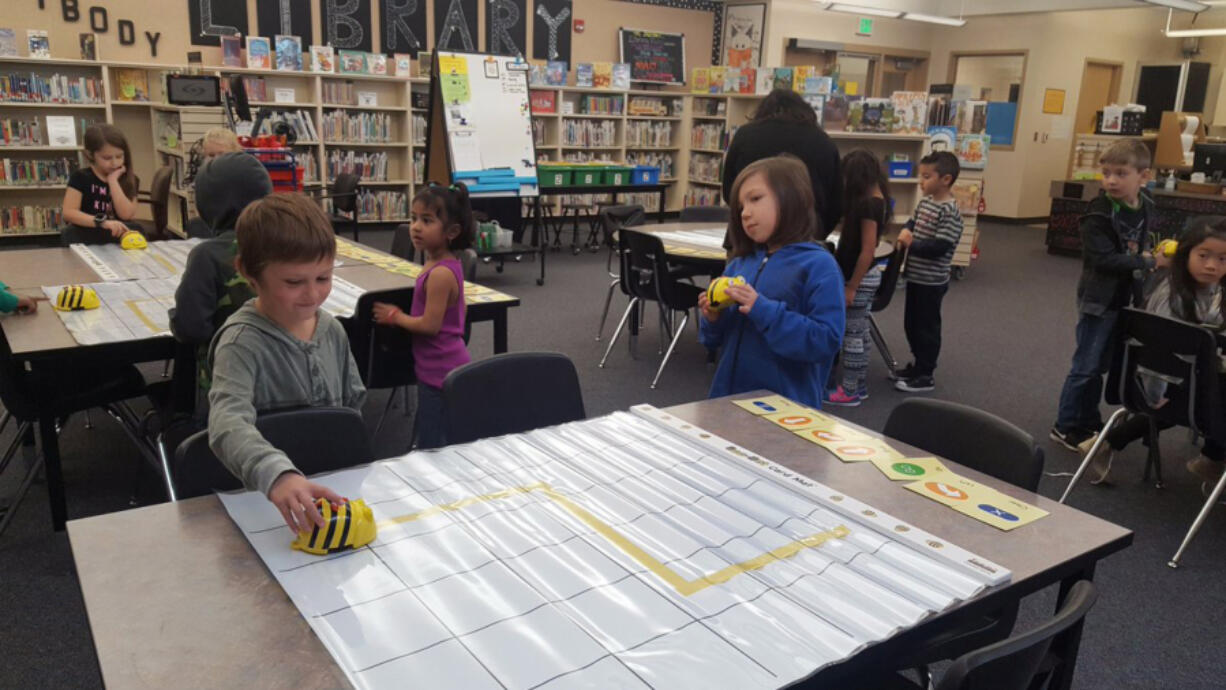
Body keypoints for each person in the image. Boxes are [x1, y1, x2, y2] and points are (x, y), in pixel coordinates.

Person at [207, 194, 366, 534]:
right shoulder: (241, 343)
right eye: (294, 282)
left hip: (331, 495)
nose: (312, 294)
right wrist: (276, 474)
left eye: (323, 278)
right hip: (265, 503)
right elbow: (226, 423)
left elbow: (352, 409)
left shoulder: (333, 330)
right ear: (248, 273)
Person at [1080, 220, 1226, 486]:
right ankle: (1212, 458)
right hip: (1164, 387)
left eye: (1222, 259)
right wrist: (1154, 395)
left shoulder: (1200, 289)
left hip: (1178, 382)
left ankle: (1107, 442)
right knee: (1211, 397)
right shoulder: (1177, 299)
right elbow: (1157, 356)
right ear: (1185, 255)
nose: (1212, 265)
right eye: (1203, 256)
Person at [699, 155, 845, 409]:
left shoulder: (819, 266)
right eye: (741, 206)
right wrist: (713, 319)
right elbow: (714, 340)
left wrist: (763, 310)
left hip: (786, 410)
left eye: (755, 199)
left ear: (791, 198)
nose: (745, 213)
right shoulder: (739, 264)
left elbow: (825, 341)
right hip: (728, 403)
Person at [1051, 139, 1165, 451]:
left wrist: (1146, 257)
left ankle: (1086, 420)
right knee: (1085, 366)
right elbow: (1103, 259)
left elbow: (1137, 246)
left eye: (1120, 173)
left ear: (1143, 176)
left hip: (1125, 298)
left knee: (1101, 366)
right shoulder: (1098, 213)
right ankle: (1064, 425)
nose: (1111, 180)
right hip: (1098, 300)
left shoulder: (1146, 204)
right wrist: (1147, 261)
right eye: (1106, 173)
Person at [372, 183, 474, 449]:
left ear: (452, 232)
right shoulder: (439, 262)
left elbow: (430, 325)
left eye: (426, 220)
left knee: (433, 443)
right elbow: (459, 312)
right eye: (414, 218)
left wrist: (396, 317)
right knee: (434, 434)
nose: (416, 227)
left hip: (440, 371)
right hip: (436, 365)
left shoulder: (440, 273)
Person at [170, 152, 273, 415]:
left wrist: (174, 315)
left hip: (227, 386)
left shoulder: (207, 255)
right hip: (285, 377)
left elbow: (191, 328)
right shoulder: (285, 242)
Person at [721, 89, 842, 239]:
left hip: (747, 238)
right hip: (804, 237)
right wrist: (817, 234)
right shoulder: (823, 141)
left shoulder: (746, 135)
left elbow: (729, 190)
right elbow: (836, 202)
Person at [893, 151, 964, 393]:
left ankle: (926, 373)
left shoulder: (950, 212)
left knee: (927, 327)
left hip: (931, 282)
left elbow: (939, 247)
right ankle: (917, 364)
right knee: (911, 324)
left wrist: (911, 243)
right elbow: (912, 223)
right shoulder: (925, 202)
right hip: (915, 277)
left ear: (945, 179)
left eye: (926, 176)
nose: (921, 182)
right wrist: (906, 230)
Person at [826, 150, 892, 406]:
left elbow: (867, 250)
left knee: (851, 336)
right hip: (866, 277)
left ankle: (849, 390)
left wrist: (851, 286)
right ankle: (859, 385)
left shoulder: (868, 205)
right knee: (860, 333)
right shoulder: (879, 199)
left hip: (860, 279)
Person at [60, 124, 139, 245]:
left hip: (117, 240)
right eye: (107, 158)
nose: (114, 163)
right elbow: (68, 213)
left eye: (119, 156)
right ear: (91, 155)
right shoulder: (80, 177)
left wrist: (113, 181)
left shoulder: (130, 179)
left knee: (139, 230)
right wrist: (101, 222)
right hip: (87, 236)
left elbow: (126, 214)